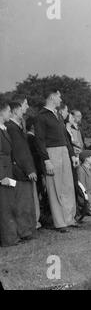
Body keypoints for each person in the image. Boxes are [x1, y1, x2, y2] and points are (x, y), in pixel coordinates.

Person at [34, 89, 78, 233]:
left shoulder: (57, 115)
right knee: (55, 189)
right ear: (52, 97)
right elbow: (39, 140)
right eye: (59, 97)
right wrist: (46, 160)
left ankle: (69, 218)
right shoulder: (41, 116)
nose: (61, 99)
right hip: (51, 153)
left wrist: (71, 154)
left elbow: (65, 137)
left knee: (68, 186)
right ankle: (60, 222)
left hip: (64, 151)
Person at [5, 101, 38, 240]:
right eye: (21, 108)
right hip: (20, 171)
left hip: (20, 170)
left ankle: (27, 230)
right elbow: (20, 151)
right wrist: (29, 169)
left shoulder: (15, 127)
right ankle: (24, 232)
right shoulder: (12, 128)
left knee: (25, 201)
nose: (23, 111)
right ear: (14, 111)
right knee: (23, 202)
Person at [0, 101, 23, 246]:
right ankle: (8, 239)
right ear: (1, 112)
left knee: (8, 205)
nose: (10, 113)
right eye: (8, 111)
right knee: (4, 206)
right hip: (3, 172)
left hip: (7, 169)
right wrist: (2, 177)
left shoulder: (3, 129)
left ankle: (11, 237)